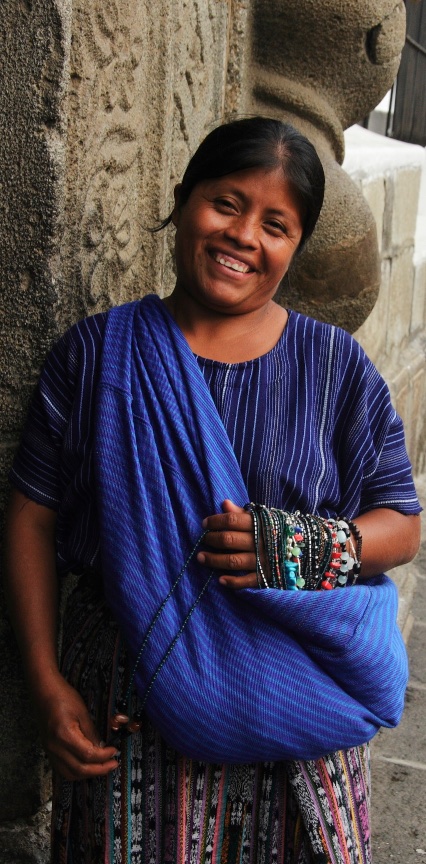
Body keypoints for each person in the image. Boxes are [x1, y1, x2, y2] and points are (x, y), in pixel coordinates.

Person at [4, 117, 421, 864]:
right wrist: (44, 681)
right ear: (183, 198)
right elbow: (34, 516)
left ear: (296, 247)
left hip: (300, 720)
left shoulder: (334, 371)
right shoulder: (99, 357)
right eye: (226, 203)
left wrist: (298, 548)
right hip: (133, 708)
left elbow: (401, 523)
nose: (243, 236)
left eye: (276, 224)